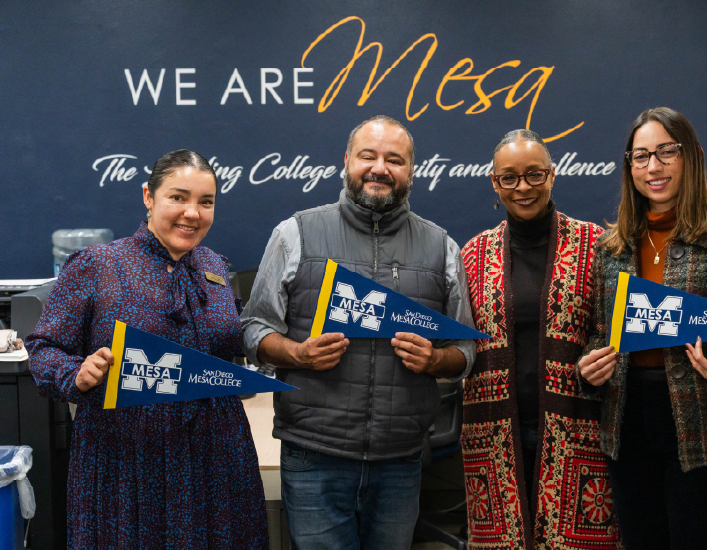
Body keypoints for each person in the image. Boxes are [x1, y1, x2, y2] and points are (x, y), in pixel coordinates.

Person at [241, 115, 476, 550]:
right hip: (314, 456)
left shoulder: (441, 247)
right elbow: (254, 330)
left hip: (401, 462)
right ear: (347, 161)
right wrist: (298, 354)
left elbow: (465, 349)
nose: (380, 168)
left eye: (395, 159)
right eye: (368, 156)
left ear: (411, 171)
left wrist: (436, 361)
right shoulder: (295, 234)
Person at [26, 150, 268, 549]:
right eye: (178, 197)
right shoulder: (97, 265)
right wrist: (76, 373)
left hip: (217, 456)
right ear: (148, 196)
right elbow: (44, 348)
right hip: (128, 461)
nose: (192, 212)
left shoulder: (215, 266)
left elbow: (231, 340)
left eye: (205, 202)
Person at [577, 107, 707, 550]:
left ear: (691, 156)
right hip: (628, 422)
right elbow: (602, 332)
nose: (652, 167)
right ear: (629, 166)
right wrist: (592, 367)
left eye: (665, 152)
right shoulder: (611, 247)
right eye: (640, 156)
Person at [460, 129, 622, 548]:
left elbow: (612, 328)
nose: (523, 188)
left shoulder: (597, 246)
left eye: (534, 174)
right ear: (495, 184)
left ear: (552, 175)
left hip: (577, 429)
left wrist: (596, 354)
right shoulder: (472, 255)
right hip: (494, 434)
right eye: (509, 178)